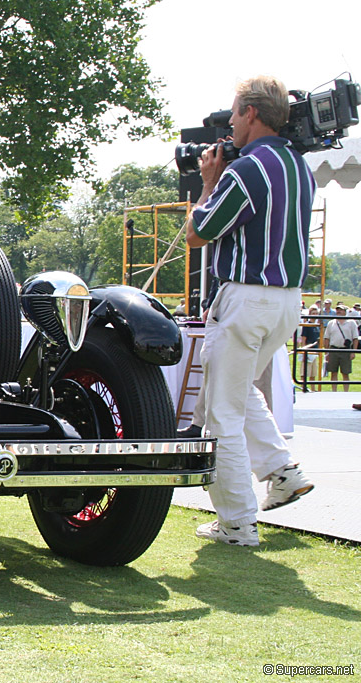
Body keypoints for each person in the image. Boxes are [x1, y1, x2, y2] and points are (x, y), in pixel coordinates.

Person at [185, 76, 315, 546]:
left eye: (236, 113)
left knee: (221, 413)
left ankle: (237, 522)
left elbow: (200, 231)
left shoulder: (249, 169)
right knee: (242, 398)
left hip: (248, 296)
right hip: (288, 300)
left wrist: (206, 184)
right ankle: (283, 472)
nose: (232, 124)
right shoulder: (300, 167)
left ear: (252, 114)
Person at [325, 303, 358, 391]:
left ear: (345, 311)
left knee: (345, 373)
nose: (339, 311)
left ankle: (345, 392)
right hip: (334, 349)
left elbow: (355, 338)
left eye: (341, 310)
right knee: (333, 372)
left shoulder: (351, 323)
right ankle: (334, 391)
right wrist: (327, 352)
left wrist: (353, 351)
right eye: (337, 310)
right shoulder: (331, 323)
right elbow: (327, 338)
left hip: (345, 350)